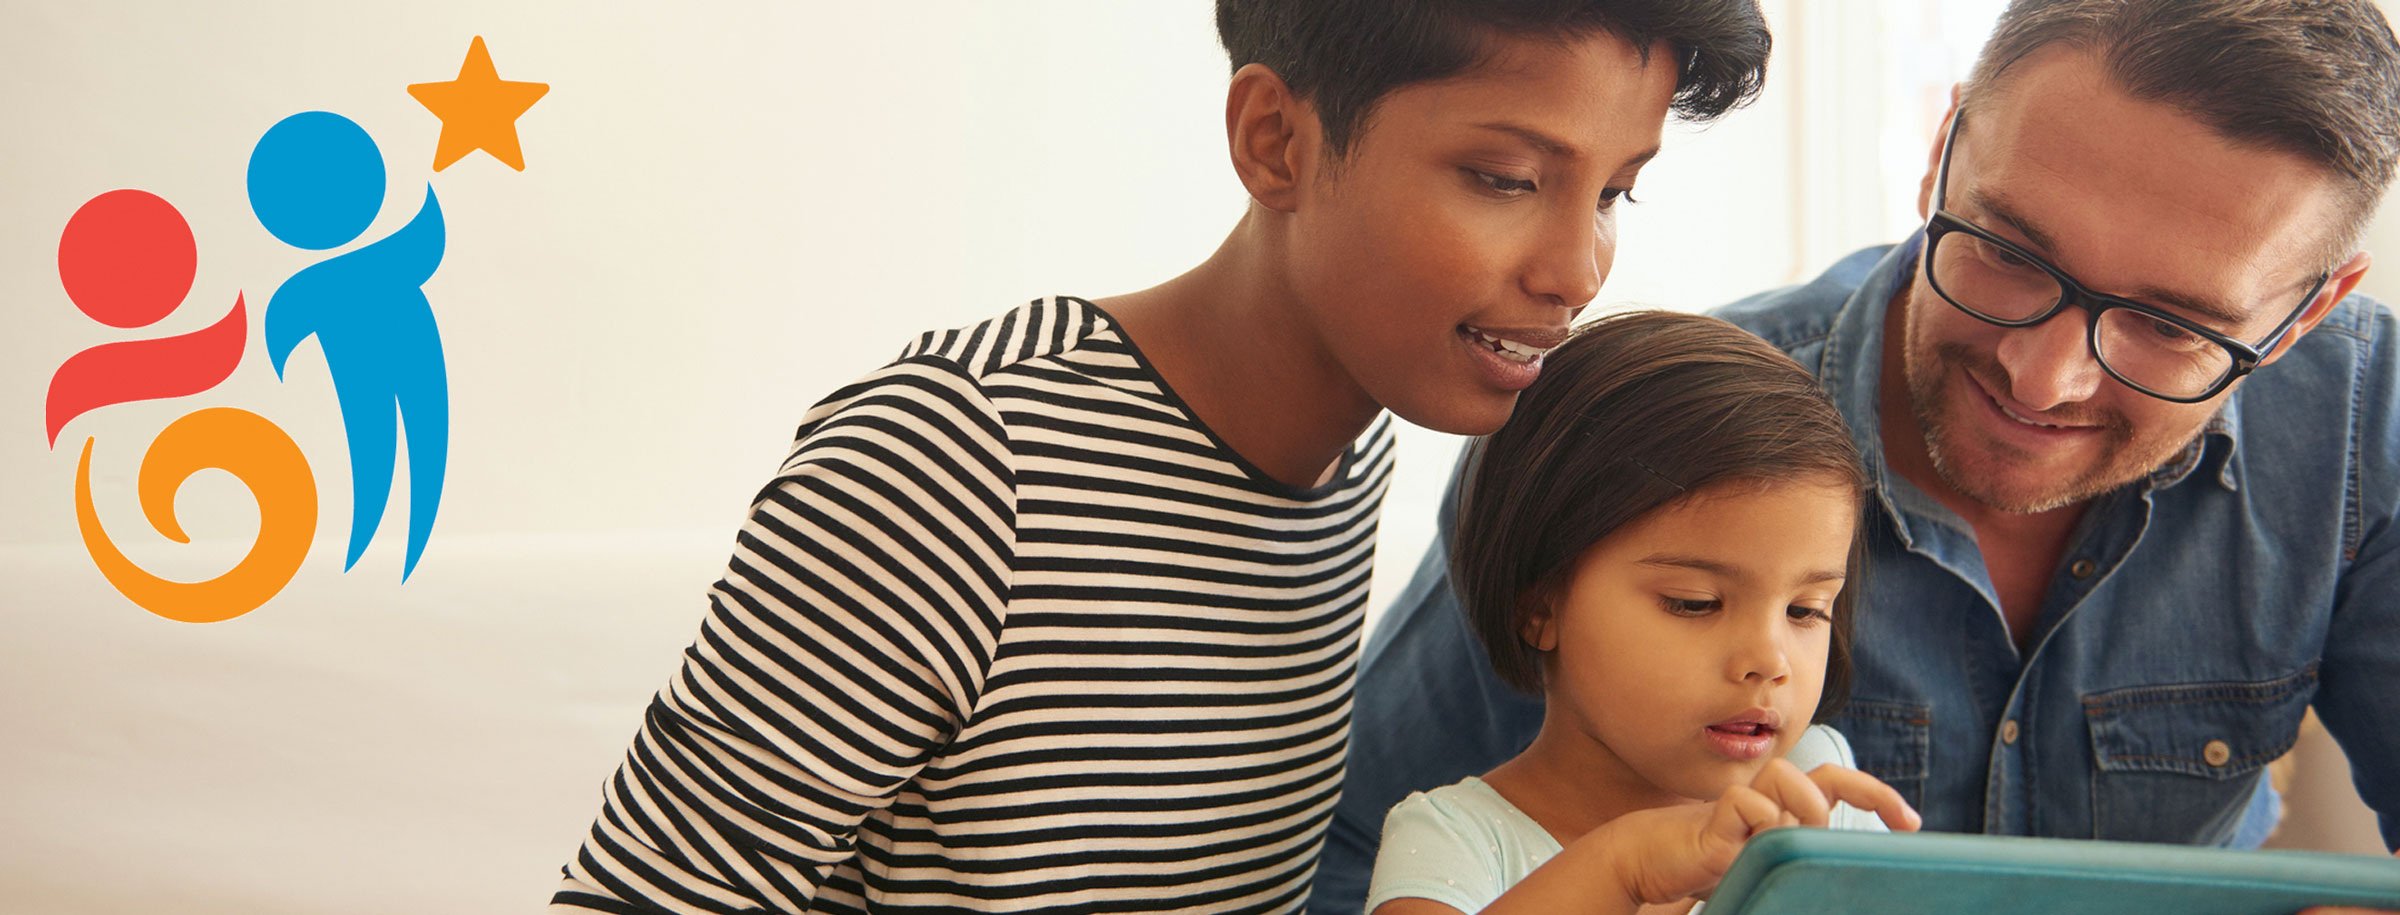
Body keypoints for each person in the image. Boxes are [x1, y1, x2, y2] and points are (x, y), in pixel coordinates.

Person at [551, 2, 1773, 913]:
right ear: (1274, 141)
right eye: (1506, 179)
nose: (1578, 268)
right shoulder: (963, 462)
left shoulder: (1348, 464)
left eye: (1617, 191)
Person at [1316, 0, 2400, 912]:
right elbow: (1353, 861)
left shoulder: (2362, 429)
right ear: (1945, 147)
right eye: (2013, 254)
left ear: (2308, 313)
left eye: (2172, 325)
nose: (2044, 376)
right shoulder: (1636, 443)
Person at [1364, 312, 1920, 915]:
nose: (1769, 660)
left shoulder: (1816, 792)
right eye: (1695, 603)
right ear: (1539, 604)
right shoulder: (1454, 844)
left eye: (1806, 610)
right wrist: (1621, 870)